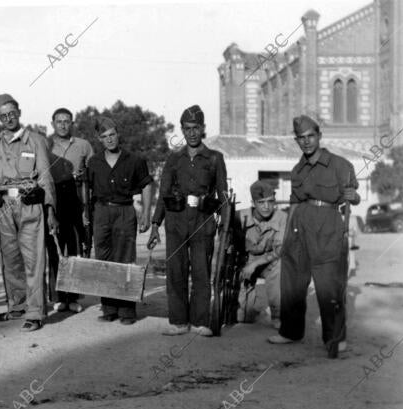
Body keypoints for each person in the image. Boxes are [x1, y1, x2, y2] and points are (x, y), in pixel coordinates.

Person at [268, 115, 360, 357]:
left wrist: (354, 197)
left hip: (328, 225)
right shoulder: (297, 170)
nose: (306, 142)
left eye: (310, 136)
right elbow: (295, 202)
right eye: (301, 138)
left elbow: (353, 195)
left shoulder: (340, 165)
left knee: (329, 283)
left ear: (319, 136)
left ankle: (335, 338)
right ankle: (290, 331)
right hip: (299, 225)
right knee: (293, 280)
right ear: (296, 140)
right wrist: (288, 234)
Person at [147, 105, 228, 336]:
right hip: (175, 221)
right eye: (187, 128)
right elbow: (163, 193)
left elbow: (223, 194)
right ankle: (179, 321)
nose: (191, 133)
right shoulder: (173, 159)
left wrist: (225, 224)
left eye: (196, 128)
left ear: (203, 129)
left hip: (203, 221)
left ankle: (200, 321)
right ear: (182, 129)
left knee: (201, 271)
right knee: (176, 271)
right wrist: (155, 225)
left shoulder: (214, 158)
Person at [0, 93, 57, 332]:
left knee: (34, 260)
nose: (8, 118)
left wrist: (49, 209)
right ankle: (17, 305)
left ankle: (35, 312)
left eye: (12, 113)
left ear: (19, 113)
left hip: (29, 204)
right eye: (3, 115)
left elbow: (46, 176)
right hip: (5, 205)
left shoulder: (35, 140)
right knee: (10, 259)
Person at [87, 116, 153, 325]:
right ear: (99, 139)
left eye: (112, 134)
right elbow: (87, 190)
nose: (109, 139)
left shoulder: (134, 160)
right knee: (104, 259)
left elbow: (147, 185)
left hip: (125, 211)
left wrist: (146, 213)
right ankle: (109, 309)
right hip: (101, 211)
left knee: (125, 259)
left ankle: (126, 311)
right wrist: (86, 214)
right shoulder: (94, 162)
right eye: (104, 136)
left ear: (118, 134)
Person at [45, 107, 94, 313]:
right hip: (53, 197)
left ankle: (73, 297)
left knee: (74, 248)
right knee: (54, 248)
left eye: (67, 121)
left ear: (72, 123)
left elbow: (94, 171)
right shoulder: (45, 144)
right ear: (53, 123)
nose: (63, 125)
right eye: (59, 121)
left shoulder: (83, 145)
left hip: (76, 197)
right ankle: (58, 297)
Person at [235, 180, 286, 329]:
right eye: (261, 202)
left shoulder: (282, 217)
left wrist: (255, 264)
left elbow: (279, 250)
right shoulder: (239, 217)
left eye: (270, 202)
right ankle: (248, 309)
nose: (266, 206)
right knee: (244, 318)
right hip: (245, 263)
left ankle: (278, 315)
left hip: (268, 263)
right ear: (253, 202)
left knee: (280, 265)